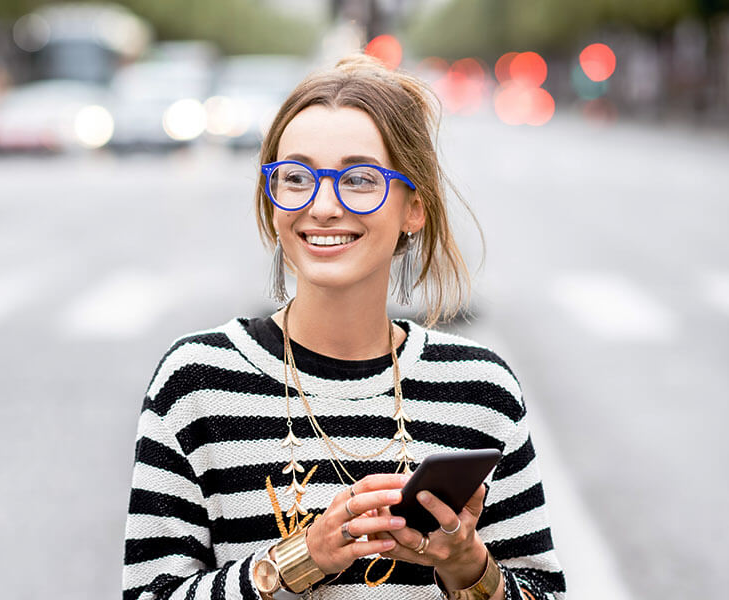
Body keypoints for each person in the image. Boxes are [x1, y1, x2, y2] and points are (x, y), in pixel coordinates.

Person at [120, 54, 566, 600]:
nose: (323, 205)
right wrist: (294, 561)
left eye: (359, 179)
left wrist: (467, 564)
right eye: (296, 177)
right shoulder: (195, 383)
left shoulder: (482, 391)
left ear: (414, 208)